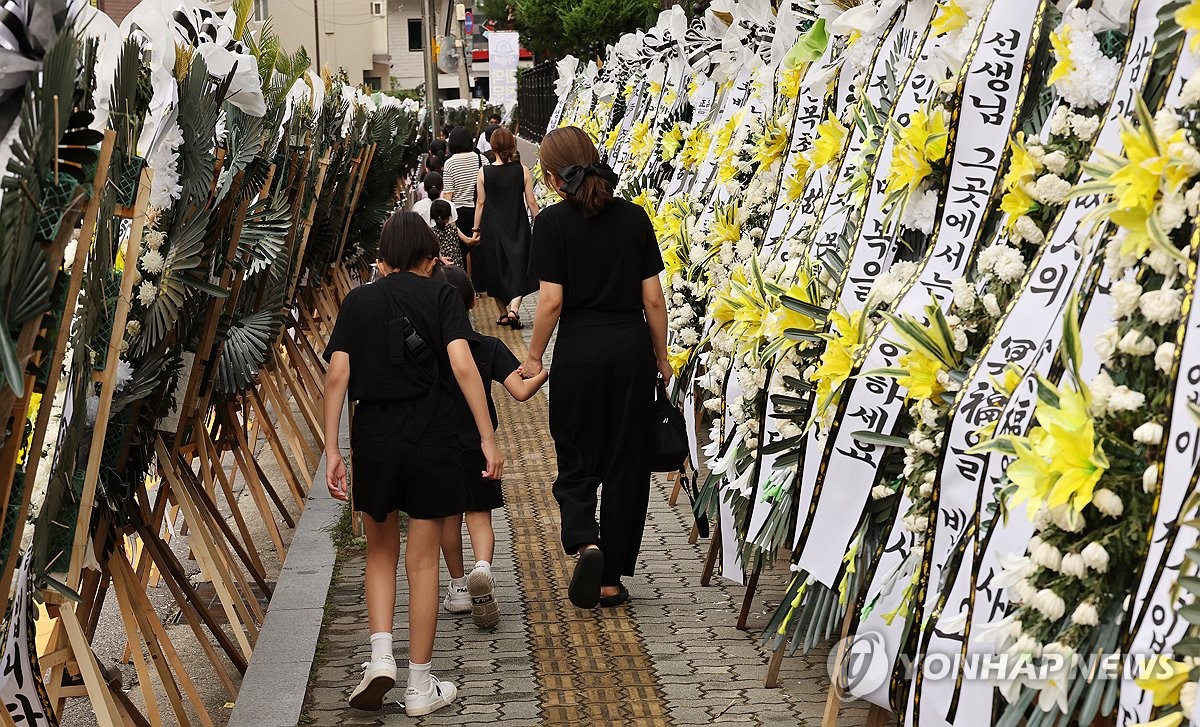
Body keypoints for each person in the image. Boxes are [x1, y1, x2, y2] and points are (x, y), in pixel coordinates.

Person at [322, 211, 504, 716]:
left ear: (381, 260)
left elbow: (337, 376)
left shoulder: (357, 301)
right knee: (422, 562)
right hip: (432, 436)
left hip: (373, 438)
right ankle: (421, 686)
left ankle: (380, 656)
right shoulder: (443, 295)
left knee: (380, 552)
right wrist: (487, 438)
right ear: (430, 258)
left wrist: (333, 449)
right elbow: (464, 365)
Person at [520, 126, 671, 610]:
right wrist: (662, 358)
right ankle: (609, 581)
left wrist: (534, 355)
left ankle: (586, 540)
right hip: (630, 351)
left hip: (580, 352)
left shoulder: (551, 225)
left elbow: (551, 302)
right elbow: (653, 299)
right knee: (628, 461)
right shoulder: (635, 219)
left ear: (549, 175)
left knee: (577, 451)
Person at [432, 264, 548, 629]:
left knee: (448, 518)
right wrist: (544, 369)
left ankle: (458, 587)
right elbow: (522, 390)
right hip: (481, 448)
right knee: (479, 515)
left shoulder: (430, 351)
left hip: (439, 445)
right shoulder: (488, 347)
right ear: (470, 303)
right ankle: (483, 568)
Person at [472, 127, 539, 329]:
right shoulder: (522, 171)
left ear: (492, 147)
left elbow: (480, 203)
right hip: (517, 225)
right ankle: (514, 310)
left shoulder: (484, 172)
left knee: (495, 270)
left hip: (492, 227)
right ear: (513, 146)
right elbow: (532, 203)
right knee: (520, 268)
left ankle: (503, 314)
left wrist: (476, 229)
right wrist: (542, 224)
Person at [443, 126, 489, 275]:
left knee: (463, 253)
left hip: (458, 214)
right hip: (479, 211)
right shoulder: (481, 159)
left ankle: (468, 286)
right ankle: (482, 286)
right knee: (480, 252)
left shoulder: (449, 163)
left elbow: (448, 197)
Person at [430, 199, 472, 268]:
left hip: (440, 267)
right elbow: (468, 241)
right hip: (456, 266)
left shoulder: (431, 232)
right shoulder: (453, 228)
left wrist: (440, 257)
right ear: (448, 216)